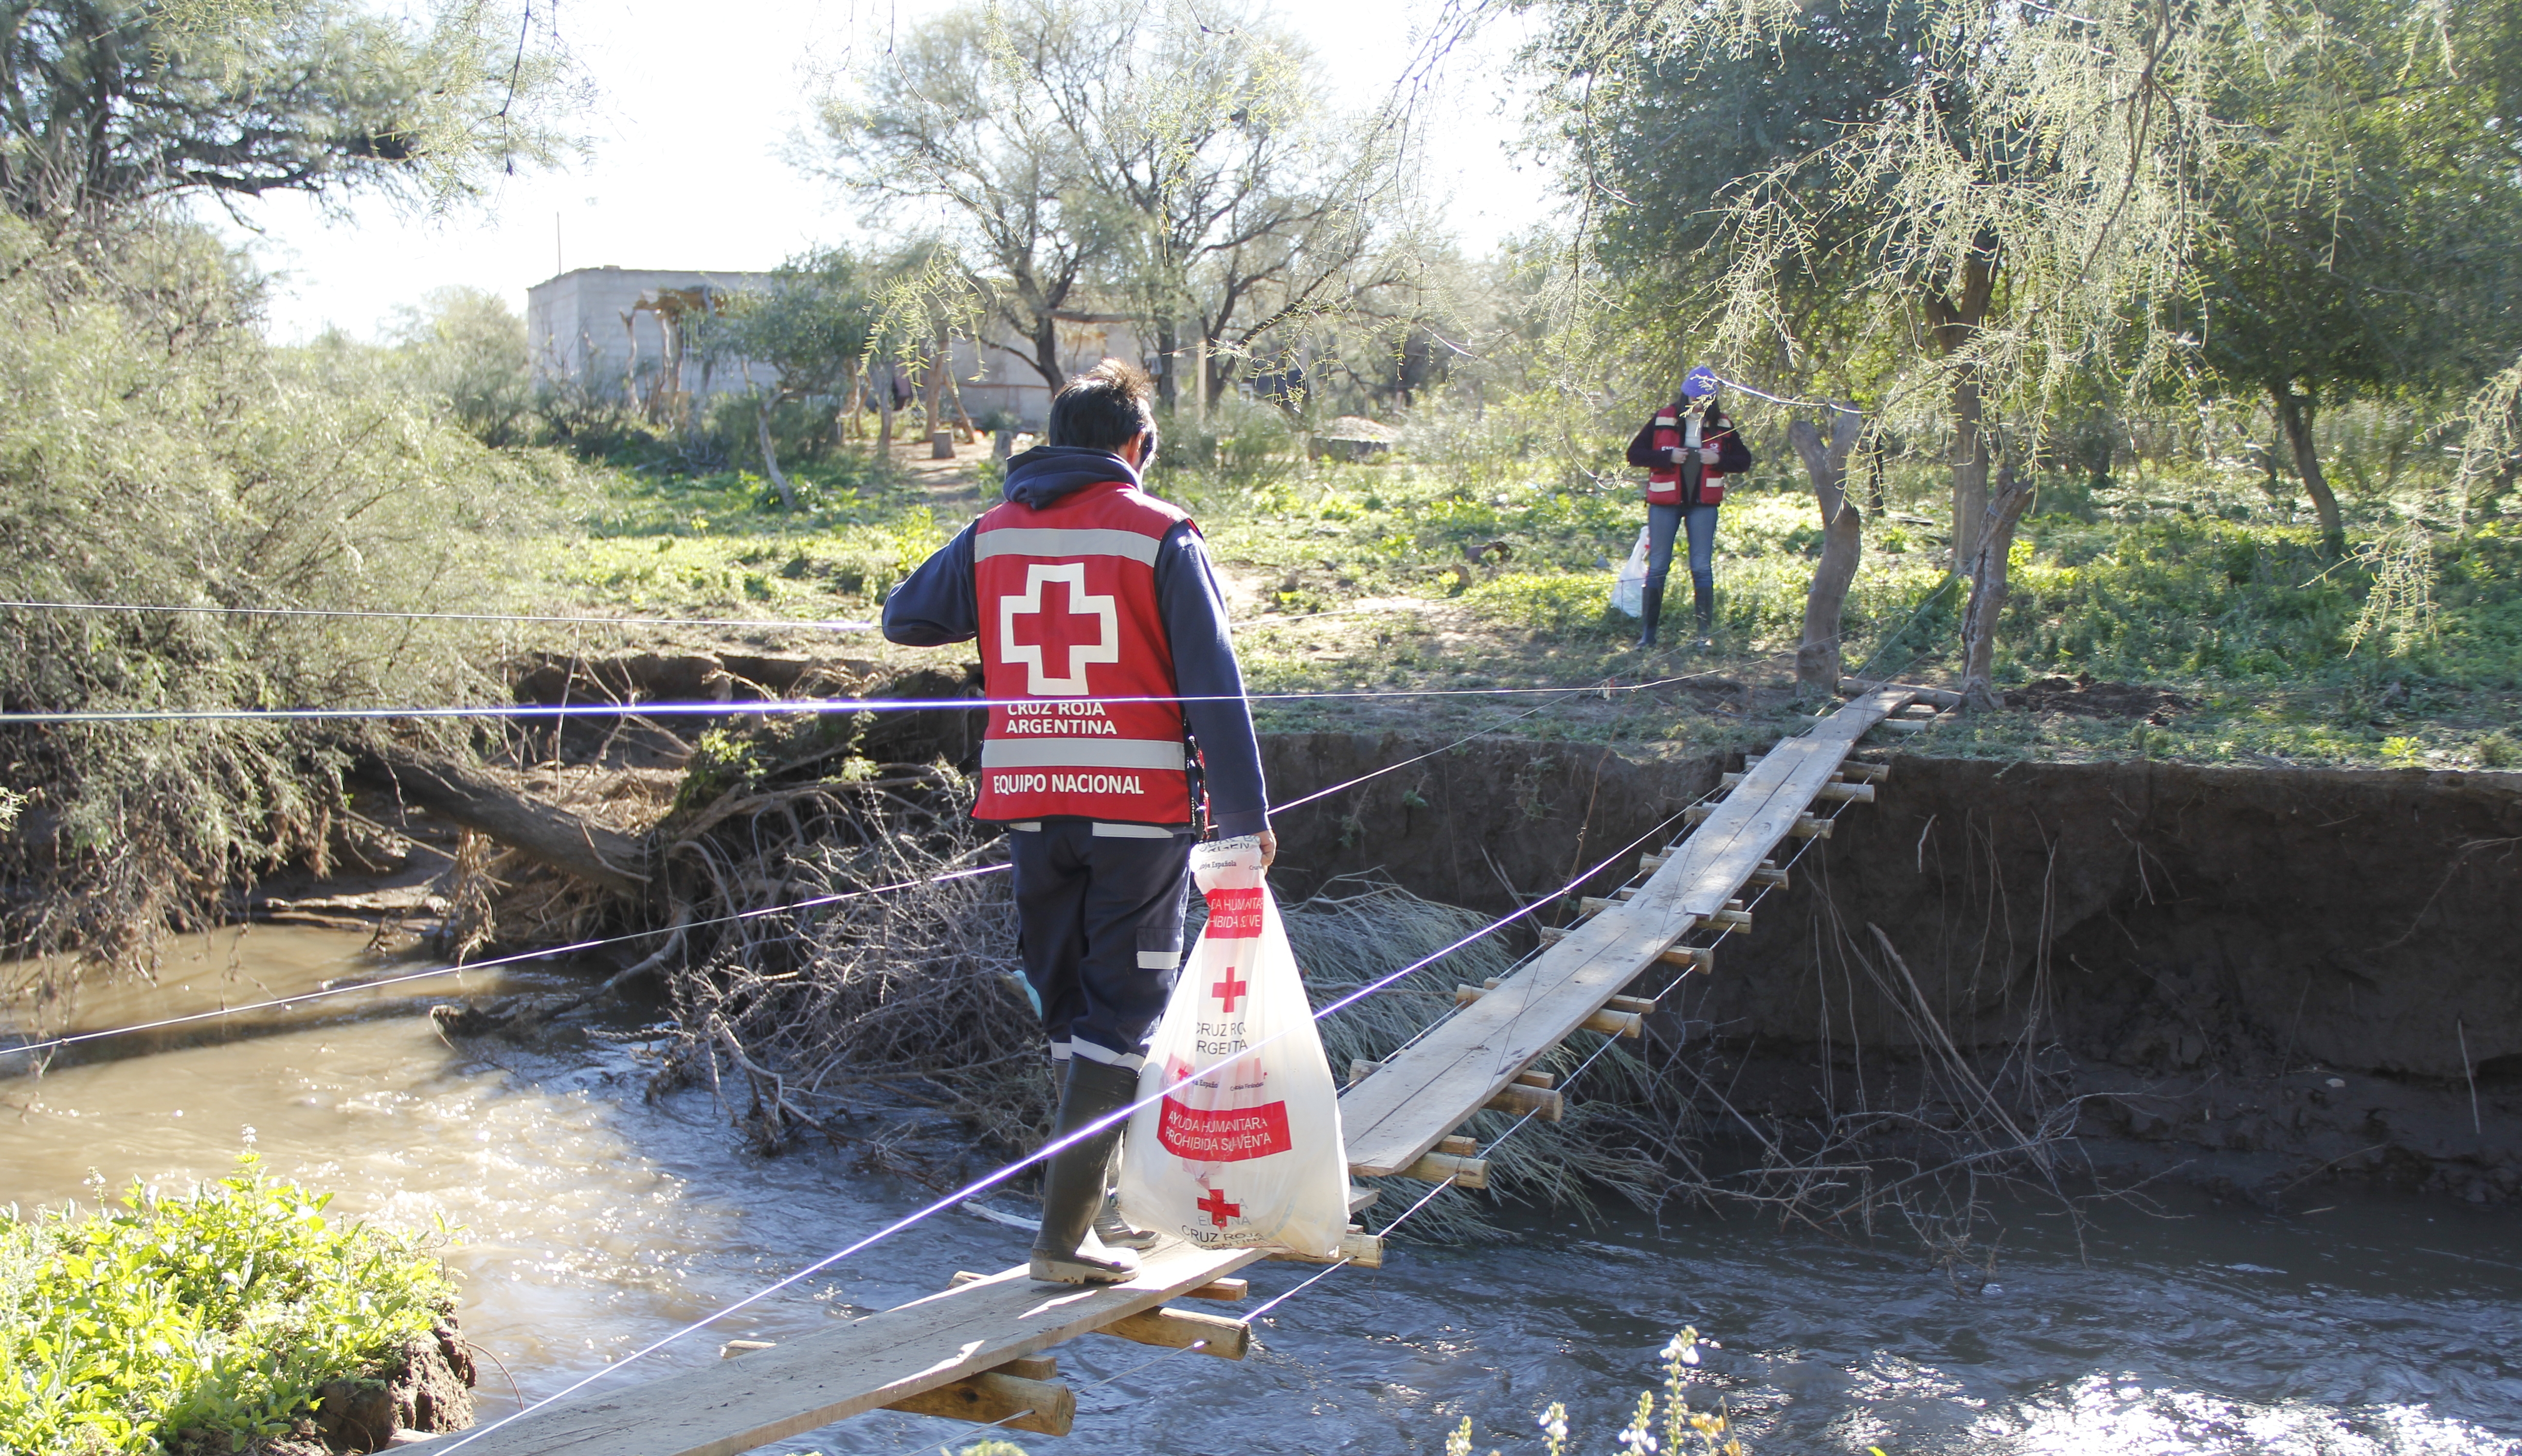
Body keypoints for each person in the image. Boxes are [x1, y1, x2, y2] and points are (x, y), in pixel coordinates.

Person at [882, 359, 1275, 1285]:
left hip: (1030, 811)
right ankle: (1063, 1240)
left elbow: (904, 619)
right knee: (1123, 1015)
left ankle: (1092, 1211)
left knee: (1071, 1012)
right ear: (1136, 446)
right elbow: (1211, 687)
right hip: (1137, 817)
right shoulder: (1159, 533)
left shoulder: (991, 535)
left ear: (1052, 442)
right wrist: (1246, 815)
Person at [1624, 385, 1753, 648]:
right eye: (1695, 398)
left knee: (1702, 568)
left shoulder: (1723, 423)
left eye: (1705, 399)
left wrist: (1718, 459)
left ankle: (1704, 636)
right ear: (1685, 396)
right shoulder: (1664, 418)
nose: (1699, 403)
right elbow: (1634, 455)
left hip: (1703, 506)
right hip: (1664, 505)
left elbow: (1743, 461)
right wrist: (1667, 456)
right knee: (1658, 567)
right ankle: (1648, 636)